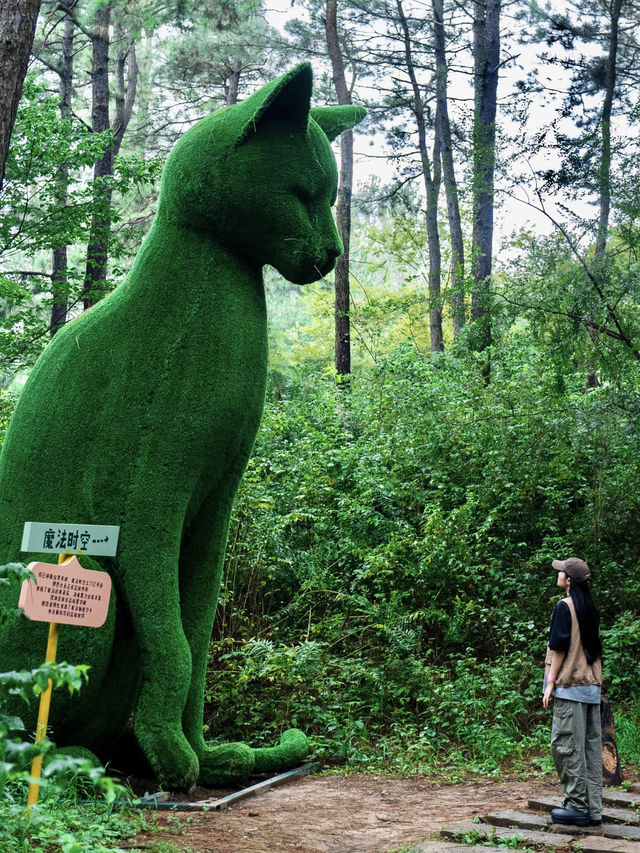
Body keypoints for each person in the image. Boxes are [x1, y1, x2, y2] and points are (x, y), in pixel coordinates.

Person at [543, 557, 603, 828]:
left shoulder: (564, 607)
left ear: (569, 580)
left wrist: (551, 682)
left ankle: (577, 806)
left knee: (566, 746)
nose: (559, 574)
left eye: (562, 572)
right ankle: (593, 809)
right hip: (591, 687)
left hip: (570, 687)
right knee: (590, 748)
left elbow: (559, 648)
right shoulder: (589, 608)